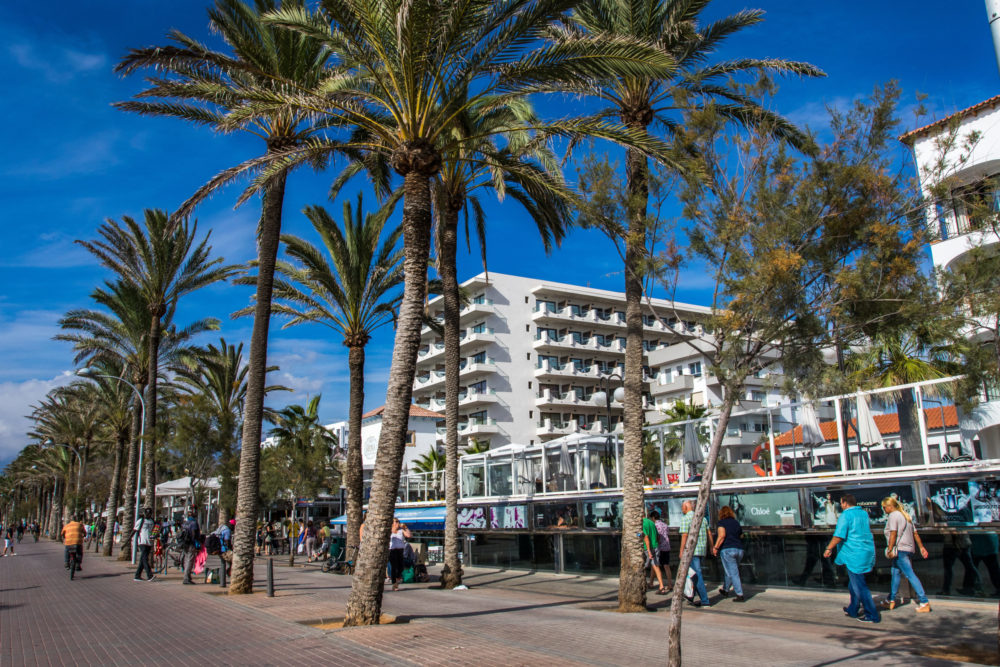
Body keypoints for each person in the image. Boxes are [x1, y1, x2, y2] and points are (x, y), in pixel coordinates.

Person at [824, 494, 880, 623]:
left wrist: (829, 548)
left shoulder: (845, 515)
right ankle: (853, 609)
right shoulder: (863, 514)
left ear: (844, 503)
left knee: (859, 585)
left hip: (854, 553)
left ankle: (872, 615)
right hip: (866, 550)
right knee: (853, 583)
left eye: (841, 503)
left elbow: (839, 535)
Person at [880, 496, 930, 612]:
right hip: (908, 549)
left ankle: (924, 601)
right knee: (895, 573)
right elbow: (915, 534)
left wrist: (890, 549)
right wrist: (921, 547)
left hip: (900, 549)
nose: (883, 510)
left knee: (909, 574)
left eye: (884, 507)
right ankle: (890, 600)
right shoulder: (906, 515)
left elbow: (893, 533)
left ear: (889, 506)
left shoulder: (893, 515)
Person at [679, 500, 713, 607]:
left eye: (682, 506)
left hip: (692, 551)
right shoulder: (702, 519)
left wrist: (681, 551)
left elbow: (684, 536)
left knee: (696, 575)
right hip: (702, 550)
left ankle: (705, 600)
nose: (681, 508)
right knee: (693, 574)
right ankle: (691, 595)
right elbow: (709, 533)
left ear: (686, 507)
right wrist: (711, 547)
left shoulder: (686, 519)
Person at [713, 505, 746, 602]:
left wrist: (715, 547)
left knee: (733, 573)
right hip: (739, 549)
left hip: (728, 549)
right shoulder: (736, 523)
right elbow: (741, 535)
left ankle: (740, 594)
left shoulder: (721, 523)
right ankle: (725, 589)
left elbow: (722, 535)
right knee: (730, 571)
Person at [643, 510, 666, 595]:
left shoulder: (642, 524)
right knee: (656, 566)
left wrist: (648, 551)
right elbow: (657, 535)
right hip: (656, 546)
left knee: (645, 566)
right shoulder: (652, 522)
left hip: (648, 548)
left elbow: (646, 538)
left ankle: (645, 584)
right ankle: (660, 586)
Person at [387, 517, 412, 591]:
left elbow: (409, 535)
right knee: (394, 567)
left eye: (398, 521)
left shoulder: (401, 531)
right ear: (392, 523)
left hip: (400, 550)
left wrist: (405, 527)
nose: (397, 523)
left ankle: (397, 579)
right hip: (392, 550)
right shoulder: (389, 531)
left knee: (401, 566)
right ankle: (394, 583)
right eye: (396, 521)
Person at [132, 507, 156, 581]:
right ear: (145, 513)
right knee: (145, 559)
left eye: (150, 513)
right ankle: (150, 575)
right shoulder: (141, 521)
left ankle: (137, 575)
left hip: (149, 542)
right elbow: (135, 530)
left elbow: (155, 530)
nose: (148, 514)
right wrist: (127, 540)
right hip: (142, 542)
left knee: (143, 559)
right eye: (147, 512)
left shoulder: (152, 521)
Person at [181, 507, 201, 585]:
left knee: (187, 560)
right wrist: (197, 542)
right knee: (190, 560)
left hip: (185, 544)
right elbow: (194, 534)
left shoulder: (185, 523)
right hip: (191, 544)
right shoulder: (194, 523)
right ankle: (186, 578)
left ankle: (188, 577)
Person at [652, 510, 672, 584]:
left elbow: (658, 536)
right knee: (666, 566)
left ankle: (659, 584)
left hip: (660, 547)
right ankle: (670, 583)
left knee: (655, 565)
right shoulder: (665, 524)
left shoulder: (655, 525)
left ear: (653, 518)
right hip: (667, 546)